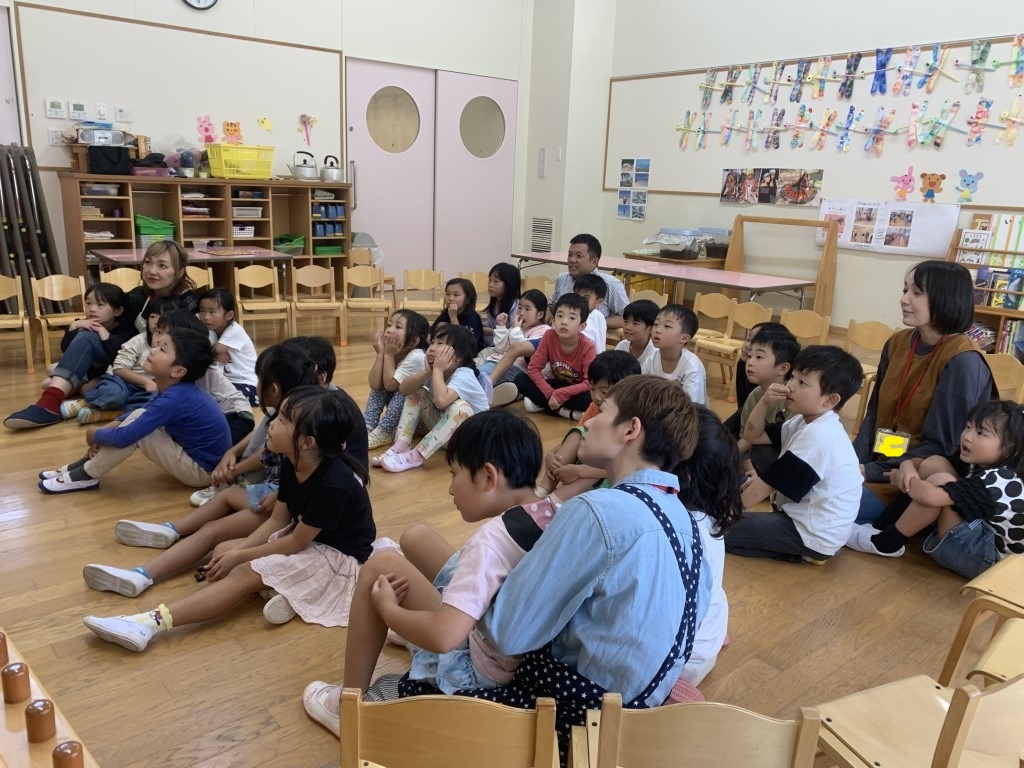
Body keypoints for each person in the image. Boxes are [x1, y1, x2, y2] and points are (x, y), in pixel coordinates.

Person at [395, 375, 710, 763]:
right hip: (636, 724)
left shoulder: (597, 511)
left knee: (419, 678)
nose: (589, 422)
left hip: (575, 722)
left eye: (602, 412)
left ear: (630, 429)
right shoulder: (689, 524)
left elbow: (509, 634)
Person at [302, 410, 560, 736]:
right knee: (416, 537)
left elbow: (443, 637)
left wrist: (389, 611)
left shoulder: (489, 544)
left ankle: (346, 707)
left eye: (454, 474)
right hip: (510, 643)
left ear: (488, 477)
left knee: (379, 569)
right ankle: (411, 627)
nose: (450, 489)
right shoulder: (550, 509)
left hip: (476, 668)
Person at [81, 387, 392, 651]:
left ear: (308, 442)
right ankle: (285, 591)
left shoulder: (334, 484)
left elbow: (296, 542)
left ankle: (149, 623)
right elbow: (277, 522)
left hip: (336, 557)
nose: (272, 425)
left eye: (282, 420)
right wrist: (237, 550)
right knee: (223, 551)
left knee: (242, 569)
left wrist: (241, 556)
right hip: (309, 541)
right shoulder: (292, 462)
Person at [80, 343, 321, 608]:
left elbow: (290, 499)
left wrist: (243, 547)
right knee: (223, 509)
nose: (272, 424)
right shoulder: (293, 418)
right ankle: (168, 536)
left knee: (216, 538)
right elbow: (270, 456)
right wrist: (236, 458)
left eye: (260, 380)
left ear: (273, 388)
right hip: (281, 502)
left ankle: (144, 574)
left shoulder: (303, 430)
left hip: (290, 513)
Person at [853, 261, 995, 523]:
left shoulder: (962, 360)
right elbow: (873, 415)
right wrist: (852, 464)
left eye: (916, 293)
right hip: (876, 464)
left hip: (916, 480)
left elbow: (942, 447)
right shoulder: (897, 343)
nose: (904, 299)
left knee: (817, 498)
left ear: (946, 298)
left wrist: (867, 471)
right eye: (904, 290)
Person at [37, 324, 231, 494]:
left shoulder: (175, 398)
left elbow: (124, 438)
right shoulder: (175, 388)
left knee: (141, 433)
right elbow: (144, 411)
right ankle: (84, 465)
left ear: (178, 371)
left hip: (202, 472)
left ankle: (87, 474)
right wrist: (106, 430)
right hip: (192, 456)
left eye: (162, 349)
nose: (153, 350)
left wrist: (95, 434)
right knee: (139, 414)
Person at [847, 400, 1024, 578]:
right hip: (980, 533)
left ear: (1009, 447)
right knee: (936, 463)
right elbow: (926, 462)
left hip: (991, 562)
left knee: (942, 481)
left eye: (980, 433)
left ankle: (887, 543)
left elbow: (932, 497)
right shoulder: (980, 460)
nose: (968, 436)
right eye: (968, 427)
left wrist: (903, 478)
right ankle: (882, 527)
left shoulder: (1003, 480)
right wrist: (907, 466)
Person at [726, 346, 864, 564]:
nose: (790, 386)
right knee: (763, 449)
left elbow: (768, 484)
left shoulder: (821, 434)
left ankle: (803, 553)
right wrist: (764, 402)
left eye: (802, 383)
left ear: (830, 401)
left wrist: (729, 512)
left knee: (719, 531)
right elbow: (753, 436)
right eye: (792, 377)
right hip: (802, 521)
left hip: (812, 533)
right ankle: (793, 545)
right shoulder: (804, 420)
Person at [673, 405, 743, 691]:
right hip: (707, 632)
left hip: (683, 661)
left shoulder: (678, 528)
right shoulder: (706, 514)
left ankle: (672, 692)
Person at [5, 283, 133, 429]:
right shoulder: (82, 324)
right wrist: (73, 328)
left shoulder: (124, 331)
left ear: (117, 311)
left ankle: (65, 385)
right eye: (88, 303)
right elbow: (67, 349)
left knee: (103, 390)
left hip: (106, 372)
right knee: (84, 337)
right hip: (89, 370)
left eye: (100, 305)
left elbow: (117, 355)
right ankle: (56, 393)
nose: (92, 309)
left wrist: (105, 335)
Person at [373, 324, 490, 473]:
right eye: (432, 342)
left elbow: (441, 401)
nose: (432, 348)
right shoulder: (436, 371)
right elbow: (404, 389)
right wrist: (427, 373)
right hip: (447, 437)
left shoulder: (464, 374)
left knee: (461, 407)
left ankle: (417, 455)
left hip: (472, 443)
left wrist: (438, 370)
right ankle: (401, 445)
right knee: (417, 392)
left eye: (440, 343)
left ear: (460, 356)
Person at [537, 350, 641, 502]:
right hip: (589, 463)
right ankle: (542, 492)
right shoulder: (594, 407)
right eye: (592, 389)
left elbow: (626, 467)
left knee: (590, 474)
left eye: (605, 391)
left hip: (609, 479)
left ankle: (553, 502)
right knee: (577, 434)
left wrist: (581, 471)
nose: (597, 397)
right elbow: (577, 434)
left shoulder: (632, 421)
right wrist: (551, 454)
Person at [62, 296, 180, 425]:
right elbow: (118, 368)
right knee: (115, 394)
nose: (157, 321)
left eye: (163, 317)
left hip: (147, 389)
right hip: (122, 380)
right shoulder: (139, 341)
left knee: (153, 402)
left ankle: (109, 414)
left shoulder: (178, 347)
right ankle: (86, 402)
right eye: (152, 316)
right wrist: (145, 381)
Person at [515, 293, 596, 420]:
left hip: (576, 390)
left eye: (572, 318)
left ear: (582, 326)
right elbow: (533, 369)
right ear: (553, 320)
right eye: (560, 316)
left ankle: (544, 405)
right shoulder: (549, 336)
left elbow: (588, 383)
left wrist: (559, 394)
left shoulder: (588, 346)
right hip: (556, 385)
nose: (564, 322)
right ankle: (565, 412)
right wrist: (550, 394)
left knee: (591, 398)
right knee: (520, 379)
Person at [736, 326, 800, 474]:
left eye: (759, 357)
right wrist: (727, 456)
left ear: (783, 368)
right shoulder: (755, 395)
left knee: (762, 452)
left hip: (787, 458)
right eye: (750, 356)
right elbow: (746, 438)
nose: (750, 362)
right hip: (759, 451)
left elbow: (793, 448)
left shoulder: (793, 399)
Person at [364, 309, 429, 450]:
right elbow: (374, 384)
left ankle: (384, 431)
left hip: (422, 420)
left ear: (414, 341)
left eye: (398, 327)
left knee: (404, 389)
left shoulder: (416, 357)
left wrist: (387, 355)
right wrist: (380, 354)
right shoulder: (392, 351)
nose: (389, 330)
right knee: (381, 383)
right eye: (389, 325)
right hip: (401, 417)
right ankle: (367, 426)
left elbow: (390, 385)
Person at [722, 321, 790, 438]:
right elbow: (744, 406)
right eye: (748, 339)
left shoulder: (786, 390)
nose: (747, 345)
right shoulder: (744, 365)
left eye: (755, 342)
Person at [549, 234, 629, 330]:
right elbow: (552, 305)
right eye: (570, 255)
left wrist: (593, 322)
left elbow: (626, 318)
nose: (572, 260)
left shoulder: (610, 283)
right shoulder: (562, 278)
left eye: (579, 256)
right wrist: (548, 310)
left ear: (594, 261)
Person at [486, 289, 551, 407]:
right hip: (497, 362)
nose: (521, 313)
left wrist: (515, 329)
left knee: (479, 376)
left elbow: (521, 349)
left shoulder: (544, 330)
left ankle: (486, 395)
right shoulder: (517, 327)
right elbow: (501, 348)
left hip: (517, 368)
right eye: (519, 307)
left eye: (527, 309)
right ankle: (491, 395)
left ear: (540, 314)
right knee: (476, 373)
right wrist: (501, 327)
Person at [198, 288, 259, 406]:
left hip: (246, 382)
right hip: (228, 381)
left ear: (229, 315)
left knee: (217, 397)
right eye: (202, 311)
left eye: (212, 312)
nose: (205, 317)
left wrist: (216, 353)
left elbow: (215, 350)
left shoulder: (235, 330)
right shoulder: (211, 329)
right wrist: (216, 354)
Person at [641, 303, 707, 405]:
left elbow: (693, 407)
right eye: (656, 324)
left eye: (667, 326)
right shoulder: (651, 360)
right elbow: (643, 393)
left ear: (684, 338)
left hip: (686, 413)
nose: (657, 330)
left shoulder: (692, 367)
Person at [430, 277, 485, 354]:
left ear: (468, 299)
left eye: (456, 295)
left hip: (469, 354)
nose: (450, 298)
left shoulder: (473, 317)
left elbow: (465, 344)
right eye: (448, 294)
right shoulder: (446, 313)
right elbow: (431, 331)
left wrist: (453, 317)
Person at [614, 298, 658, 367]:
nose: (628, 327)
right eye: (626, 322)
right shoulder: (622, 346)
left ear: (651, 329)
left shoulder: (654, 353)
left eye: (635, 323)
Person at [482, 263, 520, 341]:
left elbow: (514, 331)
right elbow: (490, 324)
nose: (490, 285)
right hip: (495, 340)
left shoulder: (515, 305)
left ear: (509, 284)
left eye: (496, 281)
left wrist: (493, 331)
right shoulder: (495, 302)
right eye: (490, 280)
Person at [573, 273, 607, 351]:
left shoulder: (598, 317)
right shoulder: (568, 311)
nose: (579, 301)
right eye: (577, 296)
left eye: (585, 299)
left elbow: (600, 345)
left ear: (599, 302)